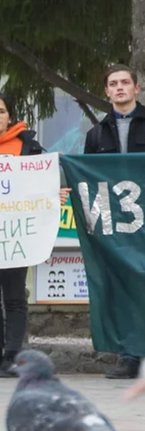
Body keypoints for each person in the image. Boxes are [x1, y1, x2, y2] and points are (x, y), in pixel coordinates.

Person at [84, 64, 145, 379]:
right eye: (113, 84)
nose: (120, 88)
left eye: (125, 82)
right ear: (107, 91)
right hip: (117, 225)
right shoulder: (95, 134)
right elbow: (88, 181)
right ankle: (129, 356)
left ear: (137, 88)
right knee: (124, 288)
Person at [0, 93, 69, 375]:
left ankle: (13, 356)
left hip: (16, 236)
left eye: (1, 111)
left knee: (15, 297)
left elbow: (42, 183)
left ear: (10, 115)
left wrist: (55, 195)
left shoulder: (27, 146)